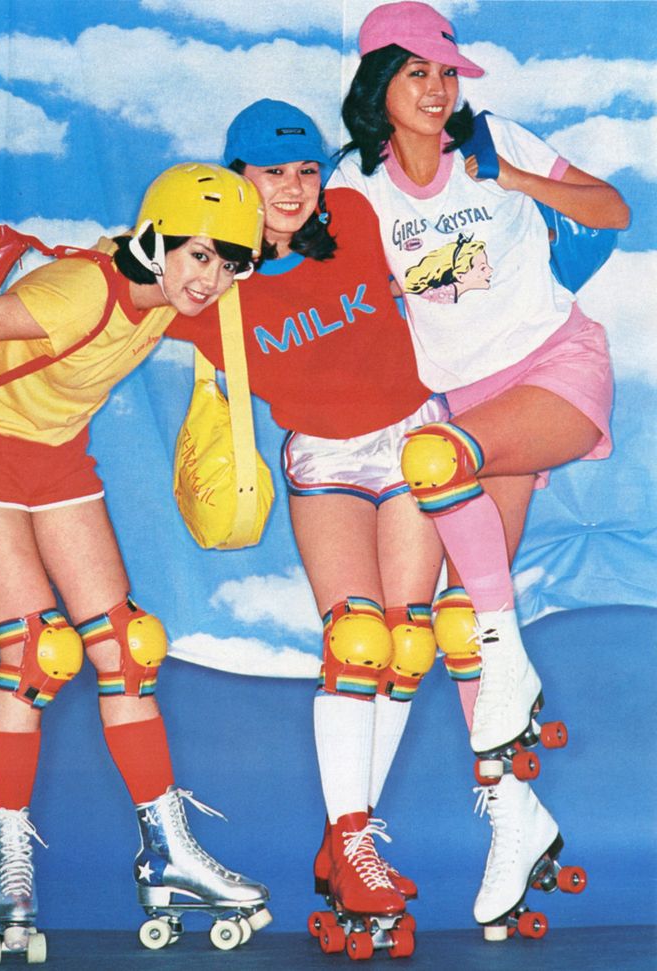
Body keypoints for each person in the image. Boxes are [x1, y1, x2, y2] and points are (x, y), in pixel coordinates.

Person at [330, 0, 629, 936]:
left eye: (447, 73)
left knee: (438, 467)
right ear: (379, 84)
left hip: (553, 372)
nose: (437, 89)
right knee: (429, 627)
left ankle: (515, 677)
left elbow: (613, 209)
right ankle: (513, 816)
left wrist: (522, 181)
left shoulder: (498, 139)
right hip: (457, 405)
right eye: (417, 73)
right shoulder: (357, 186)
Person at [0, 163, 271, 960]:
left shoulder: (171, 294)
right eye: (198, 256)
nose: (210, 278)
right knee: (38, 653)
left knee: (128, 645)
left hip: (56, 456)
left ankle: (169, 852)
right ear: (156, 243)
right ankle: (7, 866)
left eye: (228, 262)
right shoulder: (78, 292)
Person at [168, 100, 453, 939]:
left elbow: (440, 279)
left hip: (413, 437)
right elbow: (112, 296)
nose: (291, 189)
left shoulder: (357, 217)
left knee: (410, 643)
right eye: (270, 173)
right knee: (357, 638)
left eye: (303, 171)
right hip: (326, 462)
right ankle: (354, 841)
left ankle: (346, 846)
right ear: (238, 179)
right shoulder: (211, 286)